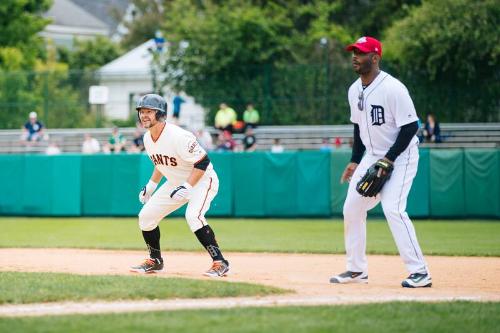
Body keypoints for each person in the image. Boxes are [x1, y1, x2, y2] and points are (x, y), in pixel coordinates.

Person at [330, 36, 431, 288]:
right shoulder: (354, 90)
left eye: (361, 53)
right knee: (351, 209)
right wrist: (355, 160)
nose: (355, 56)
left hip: (402, 154)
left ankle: (420, 272)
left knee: (393, 209)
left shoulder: (393, 88)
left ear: (375, 58)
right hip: (372, 156)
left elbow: (410, 127)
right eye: (353, 52)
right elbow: (358, 127)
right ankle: (356, 270)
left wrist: (390, 159)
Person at [131, 94, 229, 277]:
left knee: (193, 216)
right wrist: (151, 185)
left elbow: (203, 163)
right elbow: (161, 163)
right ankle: (155, 260)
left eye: (149, 111)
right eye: (142, 111)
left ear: (160, 114)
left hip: (201, 181)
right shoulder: (147, 138)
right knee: (145, 217)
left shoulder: (179, 136)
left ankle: (220, 262)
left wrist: (188, 187)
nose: (144, 115)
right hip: (176, 183)